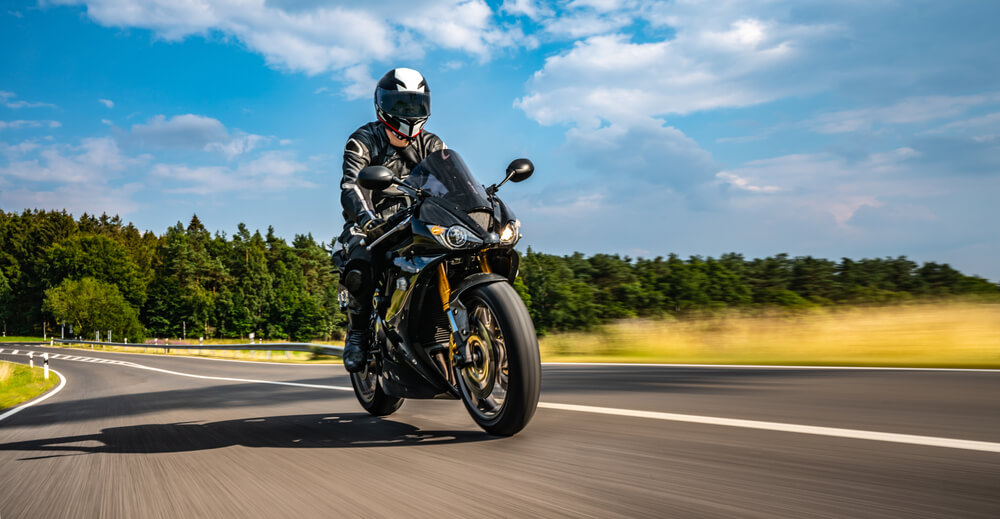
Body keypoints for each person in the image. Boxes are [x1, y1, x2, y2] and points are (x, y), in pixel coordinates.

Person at [338, 67, 446, 372]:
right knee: (360, 266)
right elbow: (351, 186)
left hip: (418, 218)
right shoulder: (362, 140)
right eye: (400, 105)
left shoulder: (433, 144)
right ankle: (357, 333)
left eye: (415, 104)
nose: (408, 113)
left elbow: (451, 182)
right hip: (373, 221)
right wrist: (367, 220)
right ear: (382, 105)